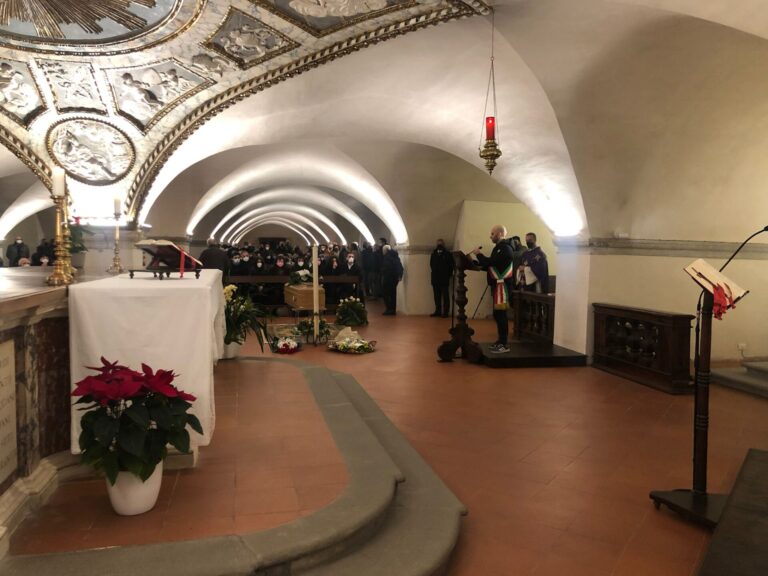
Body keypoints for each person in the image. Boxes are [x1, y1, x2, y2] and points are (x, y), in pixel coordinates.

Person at [471, 225, 515, 353]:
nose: (490, 236)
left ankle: (504, 343)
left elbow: (492, 262)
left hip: (503, 287)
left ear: (500, 234)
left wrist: (479, 255)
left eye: (492, 233)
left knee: (501, 315)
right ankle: (500, 341)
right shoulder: (498, 248)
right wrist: (476, 264)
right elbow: (493, 265)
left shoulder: (506, 249)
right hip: (497, 286)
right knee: (497, 315)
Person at [430, 238, 454, 317]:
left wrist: (448, 274)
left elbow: (451, 265)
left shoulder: (447, 254)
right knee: (436, 296)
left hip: (444, 278)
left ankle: (445, 312)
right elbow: (431, 264)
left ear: (443, 245)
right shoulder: (433, 254)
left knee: (445, 296)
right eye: (438, 244)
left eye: (441, 244)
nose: (439, 245)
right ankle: (438, 311)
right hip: (435, 278)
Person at [381, 245, 403, 316]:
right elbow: (399, 266)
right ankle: (392, 309)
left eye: (383, 250)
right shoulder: (395, 256)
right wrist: (399, 275)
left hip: (388, 278)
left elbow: (387, 268)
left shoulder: (387, 258)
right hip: (394, 278)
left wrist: (383, 271)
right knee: (393, 294)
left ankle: (389, 309)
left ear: (386, 250)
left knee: (386, 294)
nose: (382, 252)